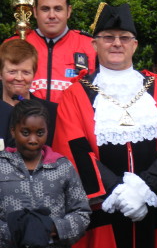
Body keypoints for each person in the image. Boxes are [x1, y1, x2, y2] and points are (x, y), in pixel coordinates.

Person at [52, 3, 157, 248]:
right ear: (94, 44)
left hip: (152, 208)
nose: (116, 43)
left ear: (135, 45)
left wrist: (145, 190)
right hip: (102, 209)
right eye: (108, 37)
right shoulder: (74, 95)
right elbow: (73, 149)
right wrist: (116, 191)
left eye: (124, 38)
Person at [0, 99, 90, 247]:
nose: (33, 140)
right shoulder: (2, 165)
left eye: (40, 133)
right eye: (25, 132)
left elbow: (82, 212)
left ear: (47, 131)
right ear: (13, 131)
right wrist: (18, 231)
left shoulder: (62, 166)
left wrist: (54, 228)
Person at [3, 0, 97, 103]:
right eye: (45, 9)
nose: (52, 15)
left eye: (58, 9)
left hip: (71, 120)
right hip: (23, 119)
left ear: (68, 11)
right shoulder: (13, 44)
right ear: (35, 12)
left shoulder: (90, 46)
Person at [0, 39, 57, 146]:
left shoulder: (52, 112)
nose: (19, 78)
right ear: (0, 73)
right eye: (12, 71)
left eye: (26, 72)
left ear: (34, 74)